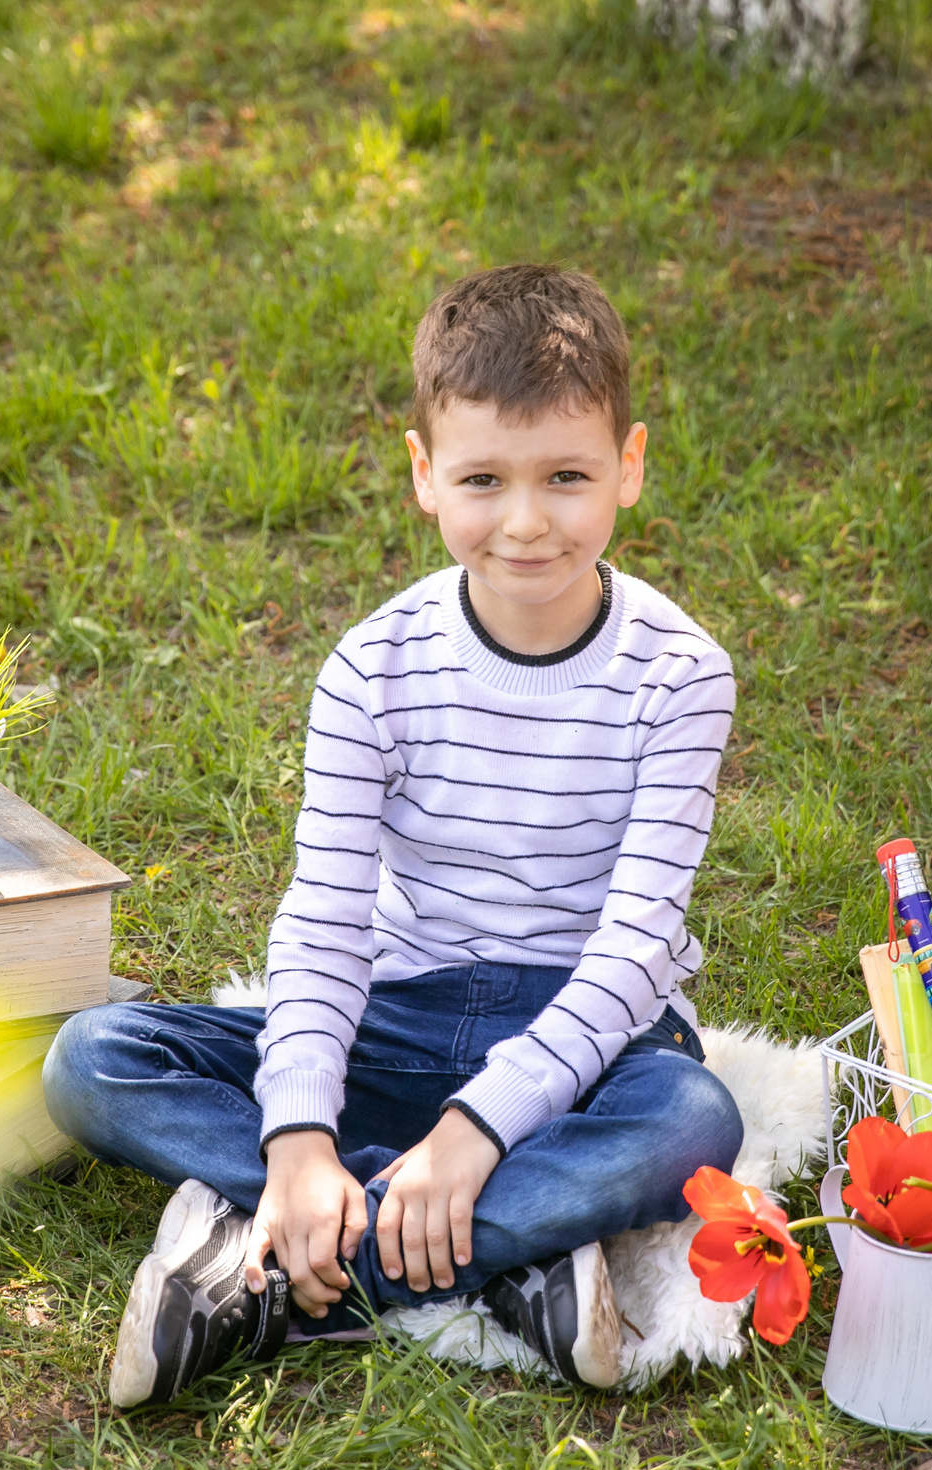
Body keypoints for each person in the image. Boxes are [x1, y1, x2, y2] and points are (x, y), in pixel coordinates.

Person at [45, 263, 744, 1406]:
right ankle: (499, 1256)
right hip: (403, 1012)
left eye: (566, 476)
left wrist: (474, 1132)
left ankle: (275, 1277)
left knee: (693, 1119)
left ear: (629, 465)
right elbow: (321, 924)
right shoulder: (374, 667)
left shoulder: (678, 673)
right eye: (484, 479)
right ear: (425, 476)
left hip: (591, 1040)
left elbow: (630, 955)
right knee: (92, 1059)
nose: (526, 522)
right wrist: (298, 1146)